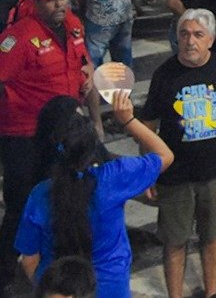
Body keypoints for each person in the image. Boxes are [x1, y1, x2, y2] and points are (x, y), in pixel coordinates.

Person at [16, 94, 174, 298]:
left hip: (57, 288)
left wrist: (48, 290)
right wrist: (127, 120)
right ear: (92, 144)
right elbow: (165, 155)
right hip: (111, 285)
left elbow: (29, 259)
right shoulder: (114, 178)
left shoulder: (39, 195)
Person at [139, 9, 216, 298]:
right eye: (184, 34)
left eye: (198, 35)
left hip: (215, 173)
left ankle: (212, 292)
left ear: (210, 39)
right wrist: (148, 171)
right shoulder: (164, 74)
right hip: (174, 177)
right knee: (175, 242)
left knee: (212, 238)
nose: (190, 41)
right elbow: (148, 126)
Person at [0, 0, 94, 292]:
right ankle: (5, 274)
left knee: (62, 200)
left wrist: (89, 75)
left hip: (64, 136)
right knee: (20, 205)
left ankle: (55, 268)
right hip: (24, 136)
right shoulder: (18, 37)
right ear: (37, 1)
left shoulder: (75, 27)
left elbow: (83, 63)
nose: (59, 3)